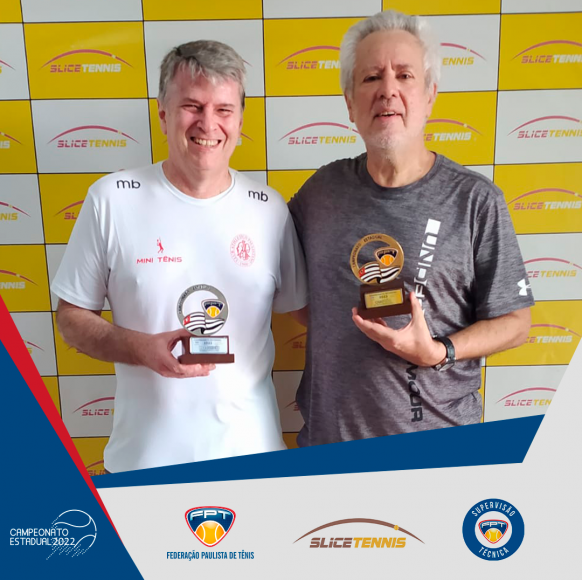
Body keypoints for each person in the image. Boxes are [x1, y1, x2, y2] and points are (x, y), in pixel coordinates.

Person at [52, 40, 308, 472]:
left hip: (252, 459)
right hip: (143, 464)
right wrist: (138, 347)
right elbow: (70, 317)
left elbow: (308, 314)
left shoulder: (269, 208)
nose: (208, 123)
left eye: (224, 109)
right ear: (163, 114)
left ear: (240, 120)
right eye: (192, 106)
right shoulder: (111, 200)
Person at [288, 10, 534, 446]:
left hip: (437, 451)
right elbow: (281, 281)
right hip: (327, 449)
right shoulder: (320, 192)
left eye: (404, 75)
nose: (388, 90)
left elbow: (516, 322)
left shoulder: (475, 200)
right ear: (350, 102)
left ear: (430, 95)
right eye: (371, 78)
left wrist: (439, 351)